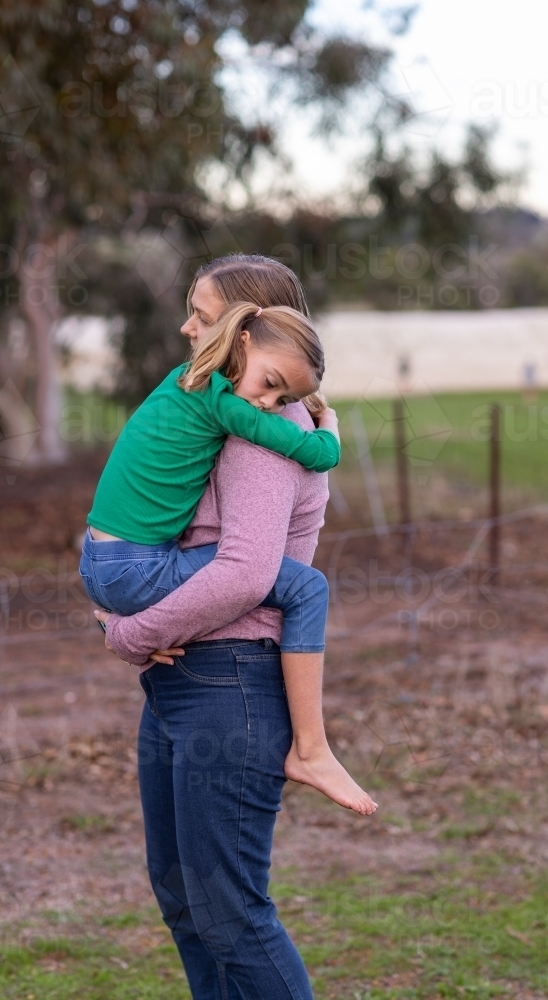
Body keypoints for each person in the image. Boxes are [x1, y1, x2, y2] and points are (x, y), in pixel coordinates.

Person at [94, 254, 376, 999]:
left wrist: (128, 634)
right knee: (186, 898)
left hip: (232, 683)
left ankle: (314, 750)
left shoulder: (259, 429)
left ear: (247, 328)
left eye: (201, 310)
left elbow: (247, 575)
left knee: (229, 912)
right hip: (186, 679)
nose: (186, 325)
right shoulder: (224, 404)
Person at [82, 289, 375, 815]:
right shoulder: (224, 405)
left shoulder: (184, 380)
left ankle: (312, 748)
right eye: (270, 385)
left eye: (283, 399)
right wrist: (328, 426)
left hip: (101, 559)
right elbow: (317, 455)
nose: (268, 405)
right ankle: (312, 748)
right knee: (305, 584)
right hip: (136, 572)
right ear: (242, 337)